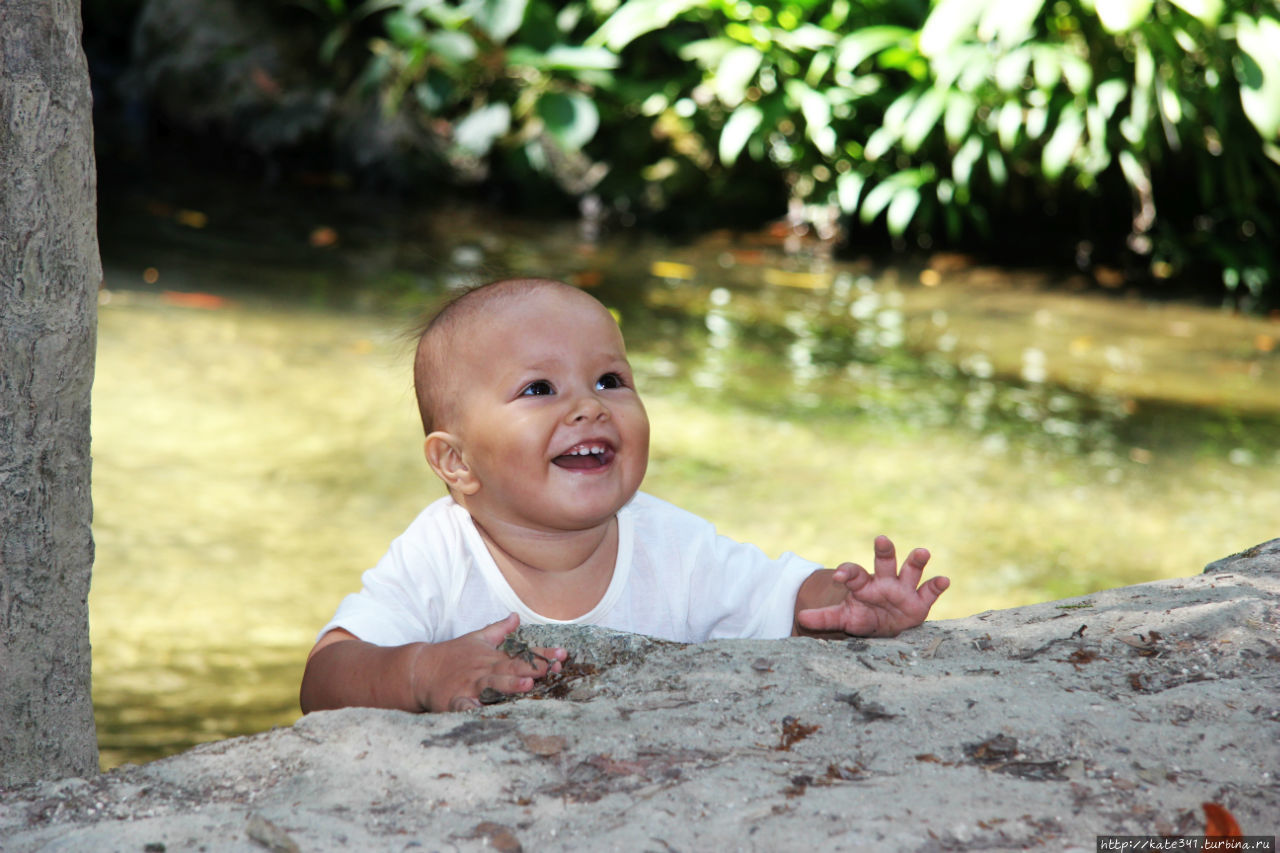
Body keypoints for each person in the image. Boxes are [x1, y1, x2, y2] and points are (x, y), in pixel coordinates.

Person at [299, 278, 949, 714]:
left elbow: (777, 597)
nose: (589, 406)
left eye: (610, 379)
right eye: (539, 389)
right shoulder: (438, 556)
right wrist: (419, 672)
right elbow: (326, 677)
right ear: (456, 460)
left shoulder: (671, 544)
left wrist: (847, 602)